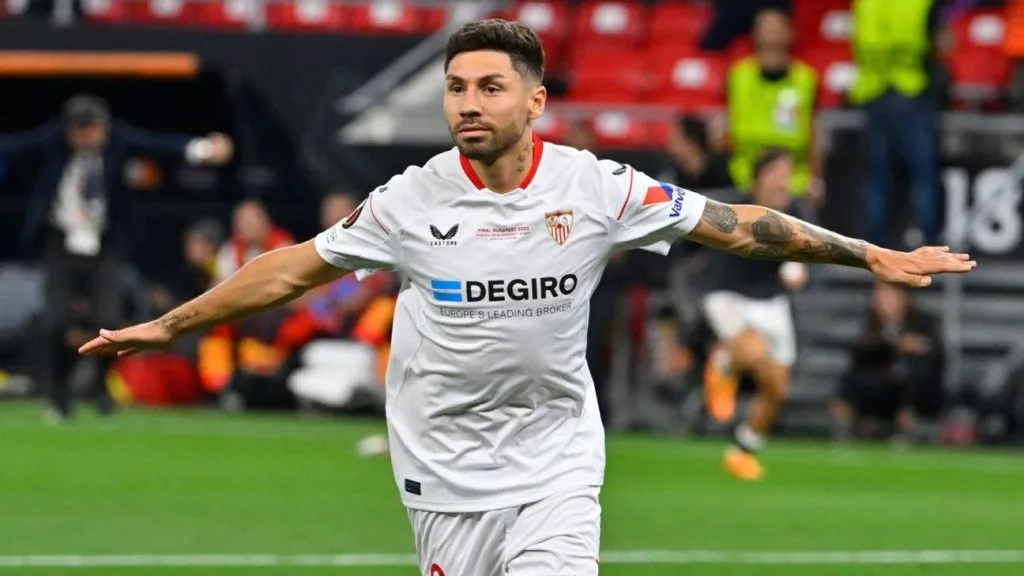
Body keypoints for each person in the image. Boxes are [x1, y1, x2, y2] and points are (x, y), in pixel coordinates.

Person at [80, 19, 975, 576]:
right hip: (442, 472)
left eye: (489, 87)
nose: (468, 103)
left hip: (555, 466)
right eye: (456, 88)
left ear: (536, 100)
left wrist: (871, 255)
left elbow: (736, 224)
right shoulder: (409, 199)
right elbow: (293, 269)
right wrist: (170, 324)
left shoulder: (598, 189)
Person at [0, 94, 232, 423]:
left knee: (108, 320)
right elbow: (16, 145)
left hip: (104, 244)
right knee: (55, 322)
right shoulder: (54, 141)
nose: (94, 139)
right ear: (72, 132)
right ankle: (59, 394)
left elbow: (158, 145)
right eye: (86, 133)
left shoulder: (117, 140)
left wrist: (204, 149)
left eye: (97, 131)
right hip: (61, 244)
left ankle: (98, 384)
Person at [698, 149, 813, 481]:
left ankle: (744, 449)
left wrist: (798, 269)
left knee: (778, 389)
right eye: (776, 172)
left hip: (770, 300)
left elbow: (804, 255)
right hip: (727, 292)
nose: (783, 180)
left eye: (787, 173)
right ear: (758, 178)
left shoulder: (798, 212)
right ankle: (723, 360)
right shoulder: (736, 207)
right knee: (753, 350)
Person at [832, 281, 945, 443]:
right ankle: (845, 424)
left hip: (916, 386)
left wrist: (919, 346)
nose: (885, 300)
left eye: (890, 294)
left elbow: (936, 352)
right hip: (884, 384)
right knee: (852, 379)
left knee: (914, 377)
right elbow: (861, 353)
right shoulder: (873, 324)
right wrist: (892, 343)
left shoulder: (924, 321)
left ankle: (907, 425)